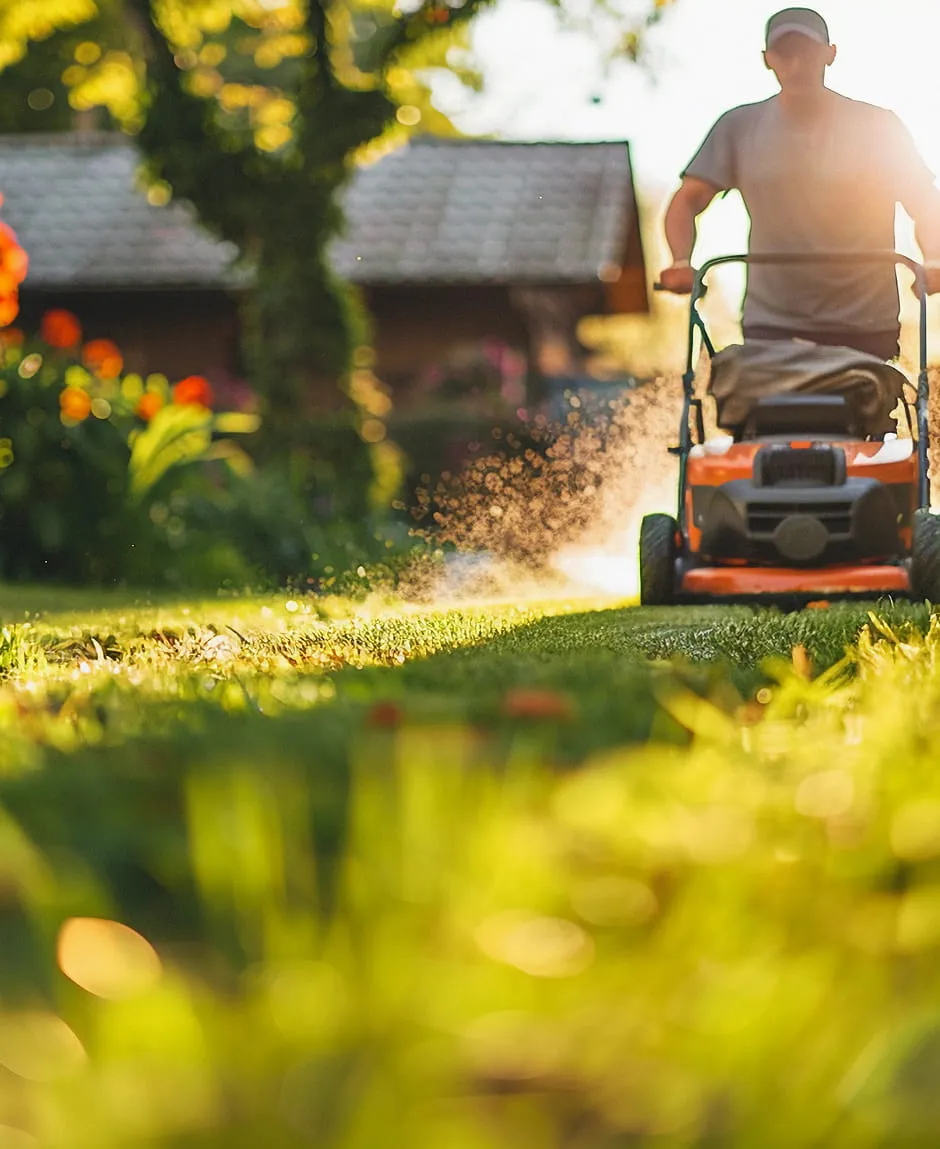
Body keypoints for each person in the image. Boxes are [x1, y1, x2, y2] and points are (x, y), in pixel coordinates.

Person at [660, 6, 940, 361]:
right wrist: (680, 261)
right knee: (765, 412)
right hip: (773, 322)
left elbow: (926, 203)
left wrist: (933, 258)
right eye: (784, 53)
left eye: (806, 52)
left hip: (865, 323)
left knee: (865, 410)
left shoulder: (878, 127)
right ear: (767, 59)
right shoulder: (739, 127)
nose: (796, 64)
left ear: (830, 54)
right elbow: (687, 201)